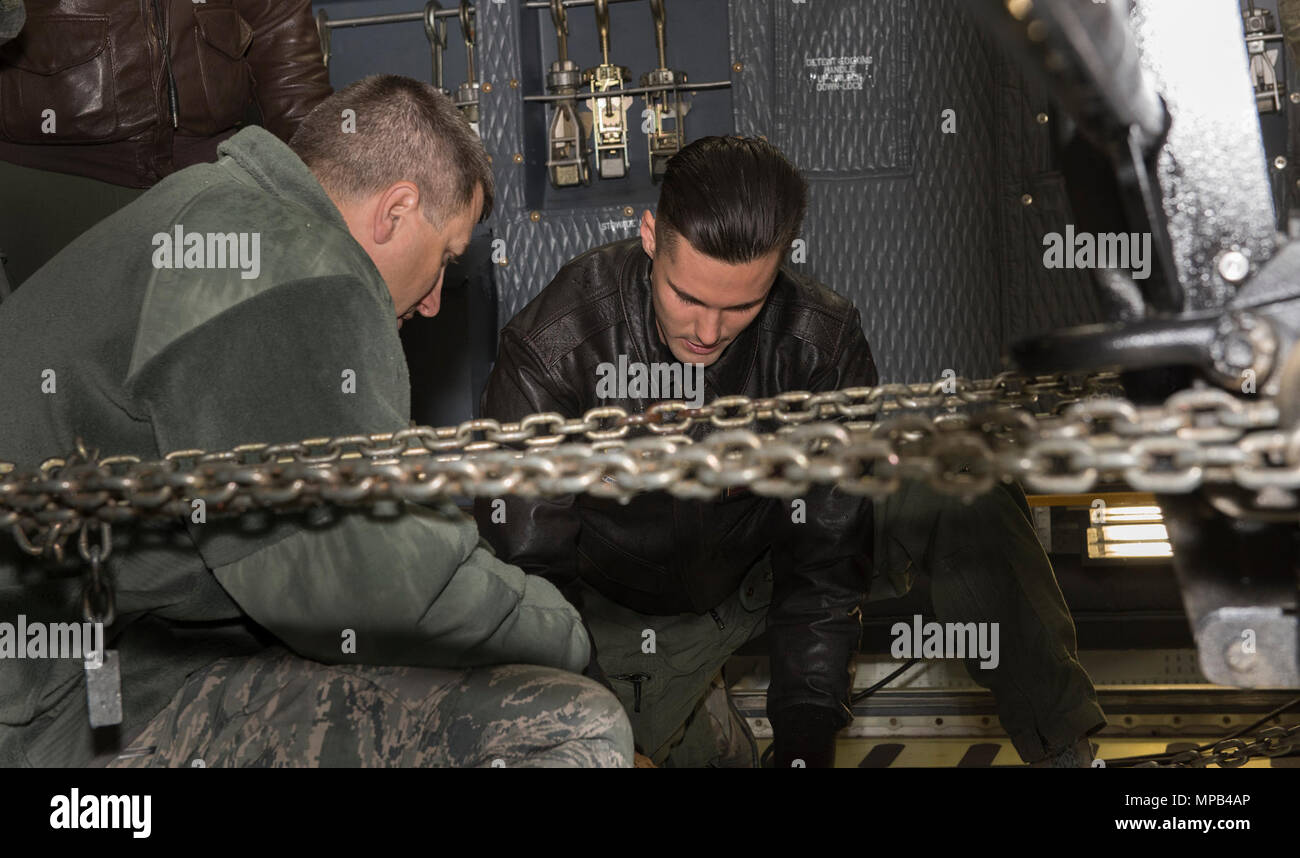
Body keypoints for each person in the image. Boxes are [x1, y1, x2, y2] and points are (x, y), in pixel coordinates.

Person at [0, 75, 632, 768]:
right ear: (396, 209)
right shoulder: (294, 270)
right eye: (447, 258)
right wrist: (568, 642)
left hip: (88, 678)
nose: (434, 303)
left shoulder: (212, 215)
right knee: (565, 723)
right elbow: (370, 586)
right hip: (49, 723)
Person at [475, 136, 1105, 767]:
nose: (707, 332)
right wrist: (594, 719)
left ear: (777, 270)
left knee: (965, 480)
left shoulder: (818, 344)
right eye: (687, 297)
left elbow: (827, 563)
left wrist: (807, 735)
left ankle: (1064, 752)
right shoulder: (554, 349)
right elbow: (533, 580)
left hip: (761, 562)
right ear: (648, 235)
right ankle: (699, 714)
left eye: (741, 305)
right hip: (627, 615)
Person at [0, 0, 331, 287]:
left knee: (220, 343)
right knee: (59, 343)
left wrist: (321, 171)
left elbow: (281, 36)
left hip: (209, 170)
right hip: (55, 177)